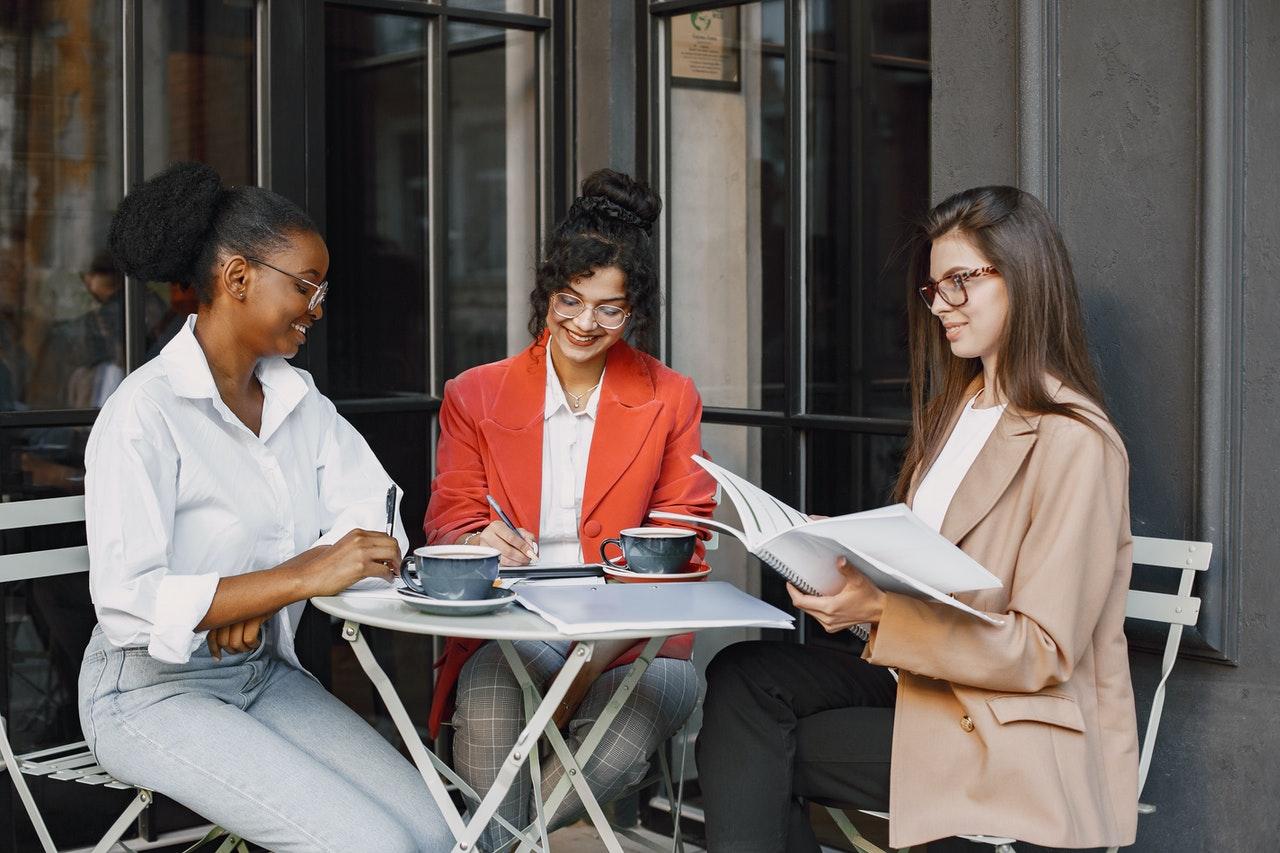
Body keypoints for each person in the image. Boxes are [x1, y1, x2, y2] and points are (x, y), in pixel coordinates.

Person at [697, 186, 1139, 852]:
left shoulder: (1075, 438)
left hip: (1003, 719)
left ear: (1024, 274)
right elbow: (927, 559)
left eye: (962, 280)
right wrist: (837, 550)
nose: (943, 306)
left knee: (760, 743)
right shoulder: (957, 410)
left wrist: (878, 611)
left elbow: (1041, 650)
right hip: (922, 681)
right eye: (935, 289)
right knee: (742, 678)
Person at [77, 162, 452, 852]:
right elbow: (129, 602)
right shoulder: (144, 412)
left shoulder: (297, 401)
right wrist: (297, 576)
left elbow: (373, 531)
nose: (317, 306)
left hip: (258, 670)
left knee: (441, 831)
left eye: (322, 289)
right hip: (147, 691)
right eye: (306, 286)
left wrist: (251, 599)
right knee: (377, 846)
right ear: (238, 277)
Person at [424, 169, 716, 850]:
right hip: (514, 624)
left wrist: (590, 660)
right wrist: (477, 537)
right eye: (570, 300)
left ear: (634, 309)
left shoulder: (670, 397)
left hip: (637, 640)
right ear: (547, 294)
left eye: (609, 308)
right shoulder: (476, 394)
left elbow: (683, 543)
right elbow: (451, 517)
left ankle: (501, 844)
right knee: (495, 686)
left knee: (628, 716)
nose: (586, 323)